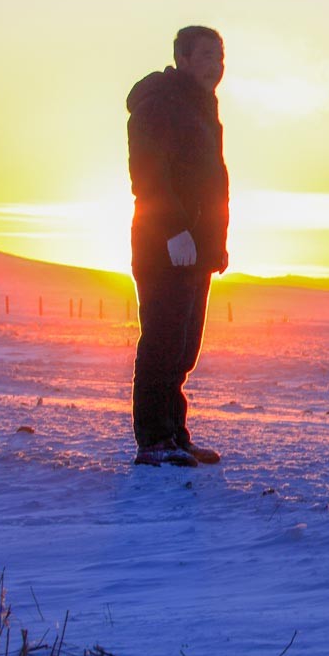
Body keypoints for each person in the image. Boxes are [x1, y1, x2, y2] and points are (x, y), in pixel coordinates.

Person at [127, 25, 230, 467]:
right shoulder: (160, 103)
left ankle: (174, 434)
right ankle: (153, 440)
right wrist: (173, 230)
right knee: (163, 341)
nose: (216, 65)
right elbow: (148, 173)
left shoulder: (201, 107)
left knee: (184, 348)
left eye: (220, 57)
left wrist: (216, 242)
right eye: (206, 56)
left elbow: (211, 182)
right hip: (163, 244)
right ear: (182, 59)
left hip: (196, 247)